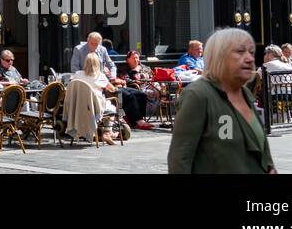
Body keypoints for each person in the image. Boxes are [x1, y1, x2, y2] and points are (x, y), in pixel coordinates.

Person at [168, 28, 276, 174]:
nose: (250, 58)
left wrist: (270, 167)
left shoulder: (245, 94)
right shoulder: (198, 95)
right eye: (240, 51)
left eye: (251, 52)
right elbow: (180, 158)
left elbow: (261, 149)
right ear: (219, 56)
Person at [75, 52, 119, 144]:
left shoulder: (78, 74)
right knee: (112, 107)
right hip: (95, 108)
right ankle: (107, 132)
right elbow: (112, 89)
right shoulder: (100, 76)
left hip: (79, 107)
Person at [117, 49, 155, 130]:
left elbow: (152, 76)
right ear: (128, 59)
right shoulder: (124, 69)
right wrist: (136, 81)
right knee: (135, 95)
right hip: (135, 86)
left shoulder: (145, 67)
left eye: (137, 58)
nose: (136, 60)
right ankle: (138, 121)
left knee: (144, 94)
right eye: (133, 58)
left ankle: (140, 119)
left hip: (150, 85)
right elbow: (125, 80)